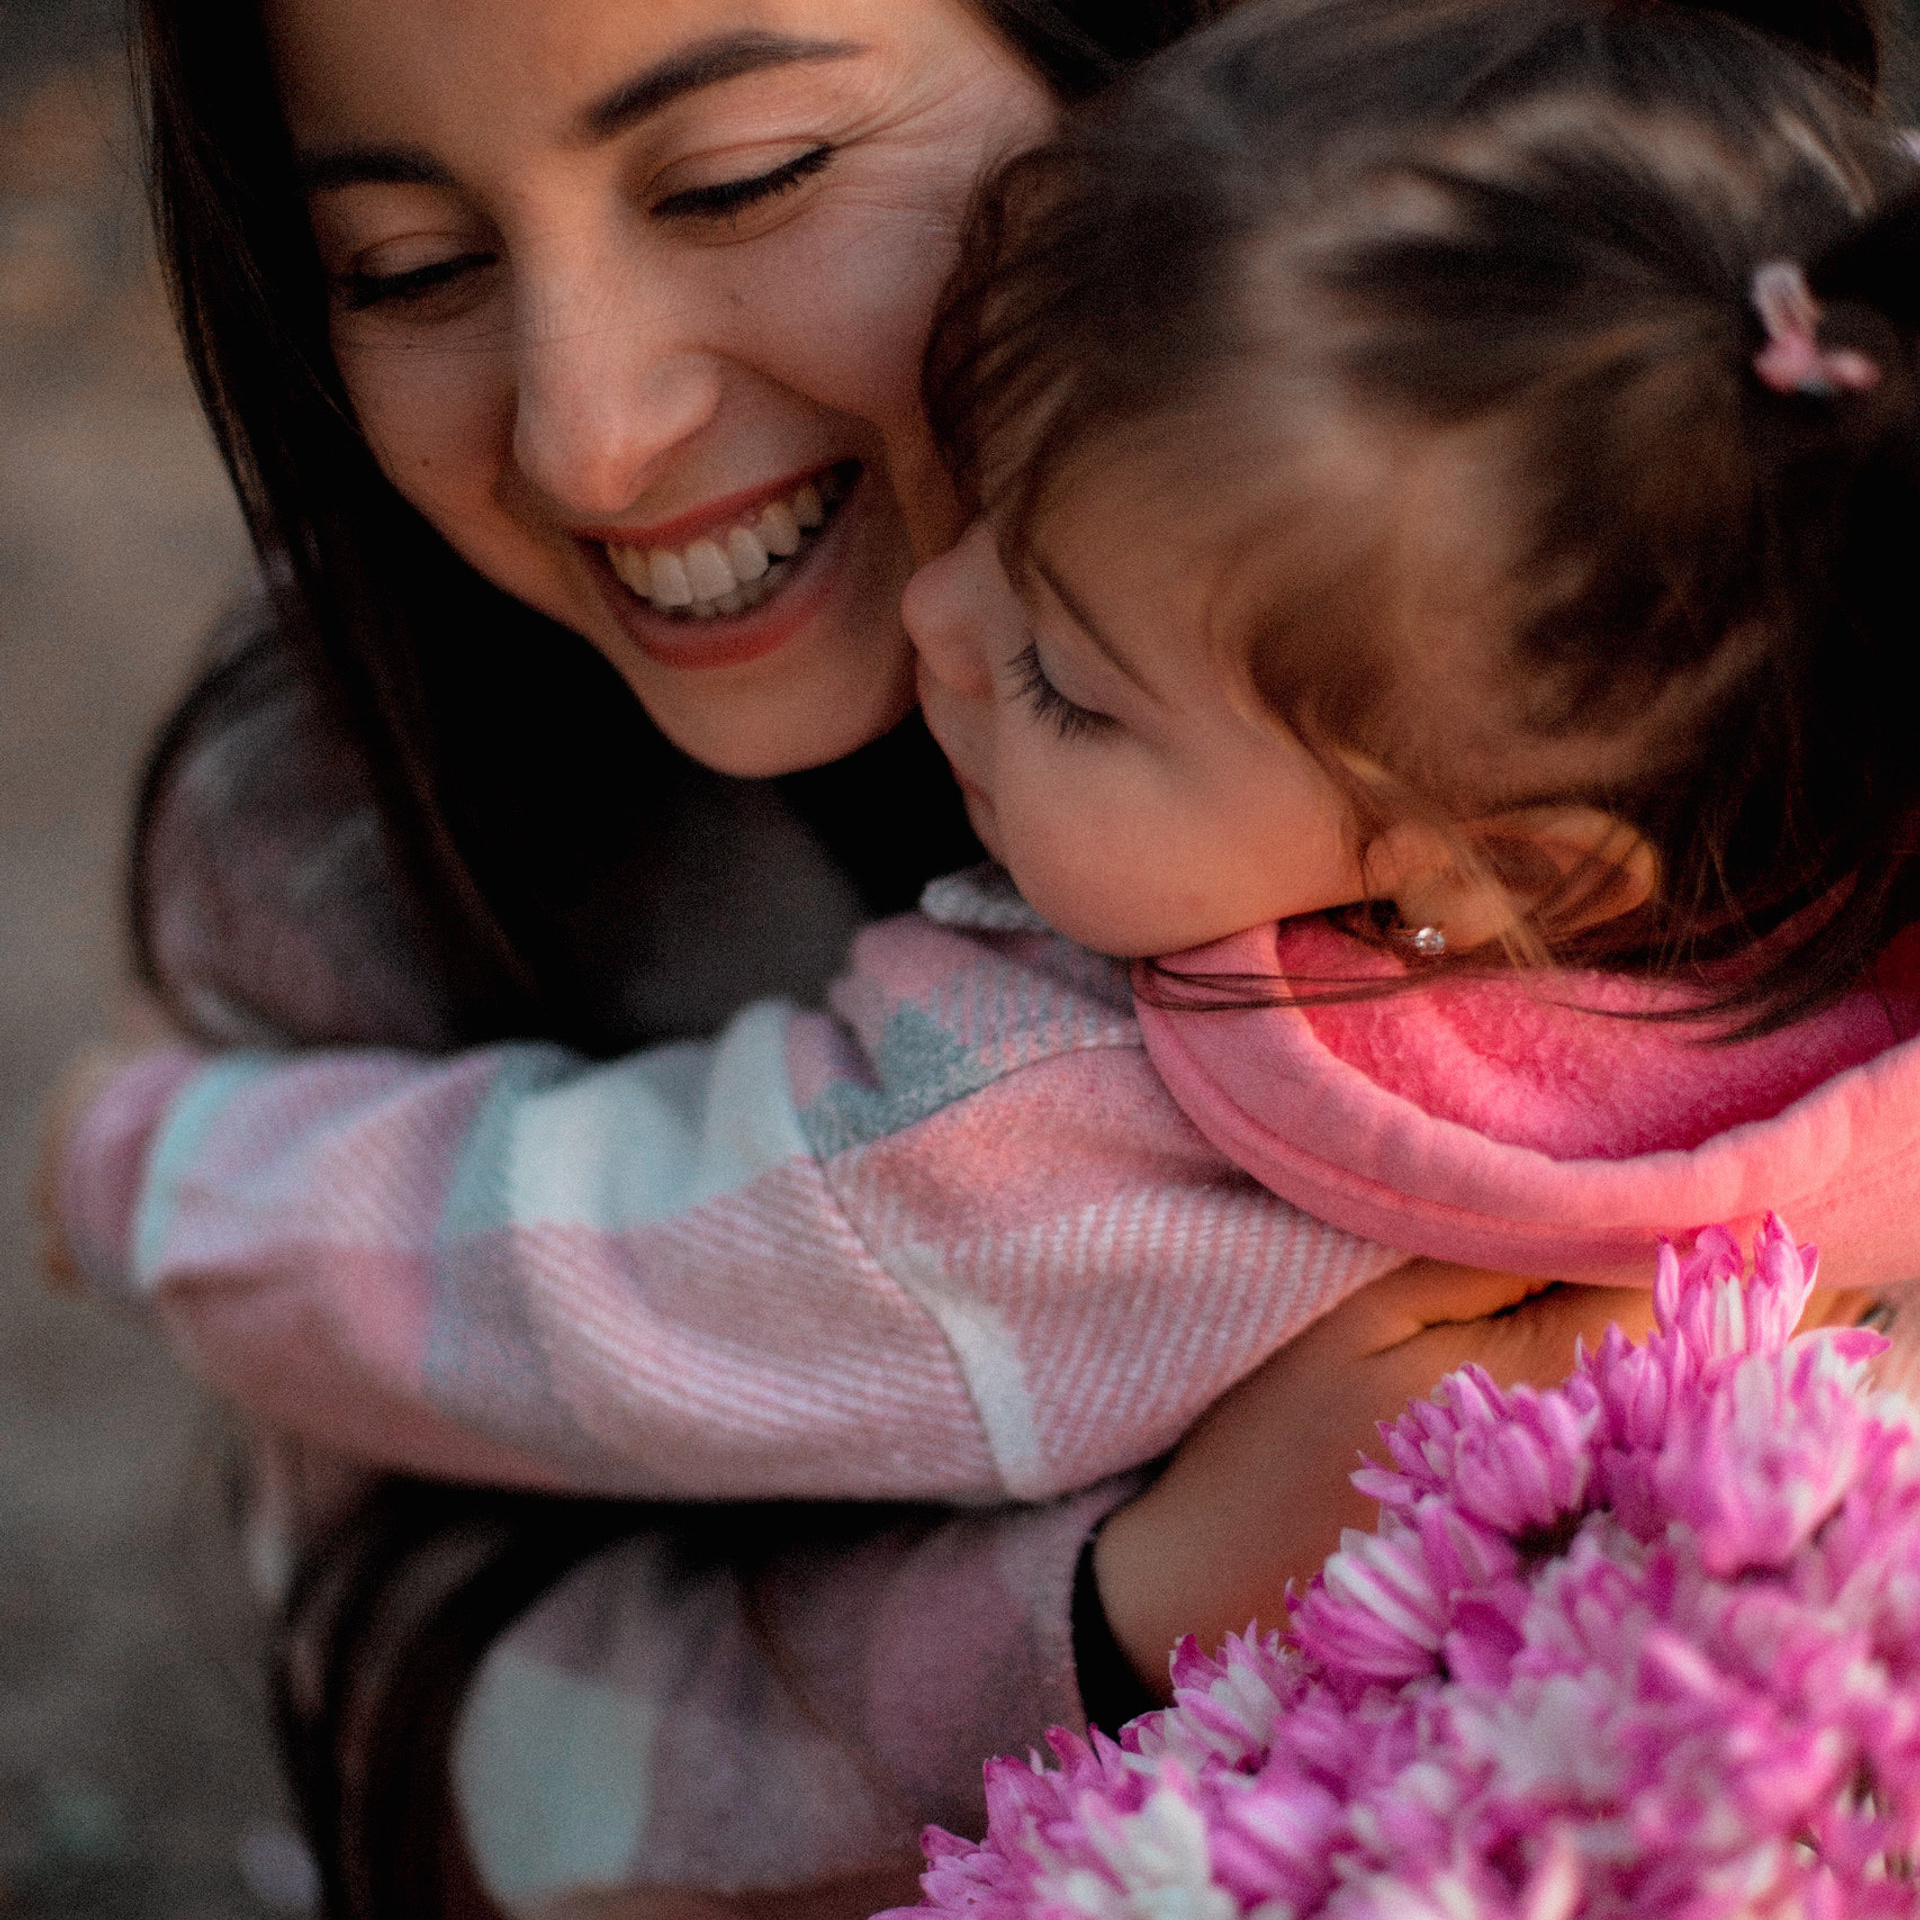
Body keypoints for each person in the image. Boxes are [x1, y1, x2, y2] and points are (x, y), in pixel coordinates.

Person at [48, 0, 1916, 1905]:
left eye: (741, 175)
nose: (592, 438)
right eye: (407, 266)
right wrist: (1119, 1617)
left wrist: (153, 1166)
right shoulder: (350, 815)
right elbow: (406, 1694)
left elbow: (570, 1254)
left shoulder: (1049, 1103)